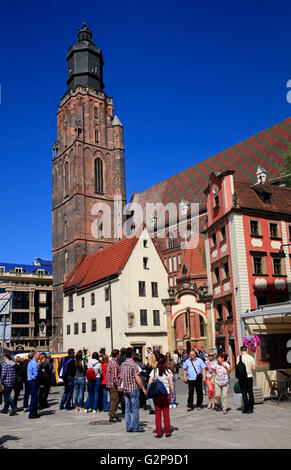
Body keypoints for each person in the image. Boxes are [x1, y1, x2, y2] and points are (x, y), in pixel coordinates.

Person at [120, 347, 147, 433]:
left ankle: (128, 427)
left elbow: (120, 376)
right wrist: (143, 388)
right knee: (135, 409)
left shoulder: (123, 364)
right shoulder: (133, 364)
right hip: (133, 388)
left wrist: (119, 385)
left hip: (125, 389)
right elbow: (137, 377)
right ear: (132, 355)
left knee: (127, 409)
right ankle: (135, 427)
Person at [148, 354, 175, 438]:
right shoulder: (168, 372)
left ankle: (159, 432)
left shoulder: (154, 371)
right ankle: (167, 432)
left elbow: (149, 382)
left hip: (157, 394)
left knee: (158, 413)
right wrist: (173, 394)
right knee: (166, 413)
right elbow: (171, 384)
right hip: (166, 393)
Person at [237, 346, 256, 414]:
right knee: (250, 392)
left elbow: (238, 367)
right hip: (250, 376)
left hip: (242, 377)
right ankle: (251, 408)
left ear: (241, 351)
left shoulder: (239, 357)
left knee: (244, 393)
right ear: (247, 350)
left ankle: (246, 408)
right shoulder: (251, 357)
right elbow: (254, 368)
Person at [106, 349, 122, 423]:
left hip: (110, 383)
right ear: (117, 355)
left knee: (117, 398)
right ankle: (112, 415)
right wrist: (118, 385)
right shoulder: (114, 363)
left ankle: (113, 413)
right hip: (113, 384)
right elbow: (114, 376)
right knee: (115, 399)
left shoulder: (111, 361)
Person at [27, 350, 41, 419]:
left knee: (33, 397)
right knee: (34, 398)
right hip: (33, 381)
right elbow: (35, 374)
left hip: (30, 380)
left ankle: (33, 413)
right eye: (38, 355)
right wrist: (36, 377)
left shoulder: (31, 362)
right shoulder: (35, 363)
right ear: (35, 355)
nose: (39, 356)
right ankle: (32, 414)